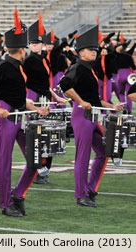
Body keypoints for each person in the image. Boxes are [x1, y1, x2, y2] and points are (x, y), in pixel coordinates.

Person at [0, 9, 49, 217]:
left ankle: (18, 194)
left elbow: (19, 97)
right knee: (4, 163)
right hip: (7, 119)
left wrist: (36, 108)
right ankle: (5, 204)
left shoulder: (18, 66)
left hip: (20, 117)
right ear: (21, 49)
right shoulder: (2, 65)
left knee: (36, 159)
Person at [59, 25, 123, 207]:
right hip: (82, 115)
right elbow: (64, 85)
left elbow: (94, 99)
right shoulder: (78, 67)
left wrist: (112, 106)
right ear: (80, 52)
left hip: (94, 115)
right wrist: (80, 100)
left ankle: (91, 189)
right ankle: (81, 195)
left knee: (104, 152)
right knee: (83, 156)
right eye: (90, 50)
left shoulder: (90, 69)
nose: (94, 52)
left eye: (95, 50)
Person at [24, 13, 67, 184]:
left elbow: (46, 83)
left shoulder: (44, 60)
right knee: (38, 137)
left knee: (50, 135)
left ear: (42, 44)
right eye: (32, 43)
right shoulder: (28, 61)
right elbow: (25, 81)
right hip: (34, 98)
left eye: (37, 43)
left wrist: (57, 97)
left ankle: (45, 170)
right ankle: (37, 171)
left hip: (46, 98)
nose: (34, 45)